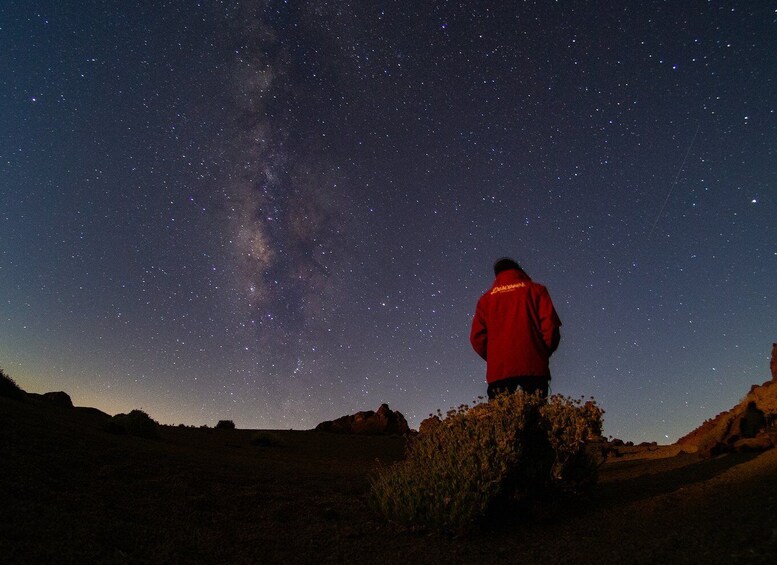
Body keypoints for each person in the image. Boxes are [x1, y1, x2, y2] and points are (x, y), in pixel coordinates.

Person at [470, 257, 562, 399]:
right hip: (534, 366)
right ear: (519, 270)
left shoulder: (485, 300)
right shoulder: (537, 290)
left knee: (501, 418)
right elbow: (550, 326)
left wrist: (495, 357)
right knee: (535, 416)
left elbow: (477, 338)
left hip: (499, 371)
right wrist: (541, 353)